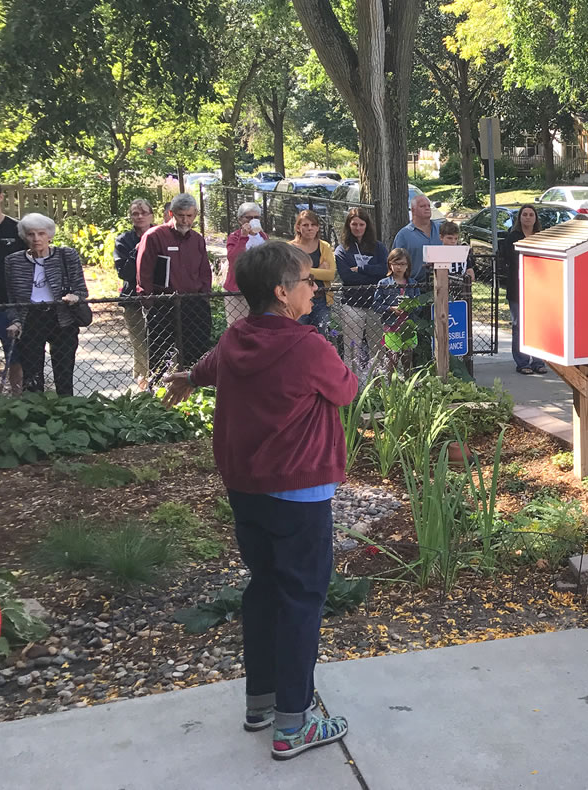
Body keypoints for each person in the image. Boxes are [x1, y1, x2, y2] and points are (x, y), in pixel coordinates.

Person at [162, 241, 355, 759]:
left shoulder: (236, 336)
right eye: (306, 281)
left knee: (266, 587)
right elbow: (346, 390)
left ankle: (261, 703)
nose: (314, 287)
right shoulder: (308, 345)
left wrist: (187, 376)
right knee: (302, 598)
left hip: (246, 487)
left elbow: (212, 364)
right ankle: (294, 724)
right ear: (281, 291)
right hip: (299, 490)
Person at [3, 213, 90, 396]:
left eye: (41, 234)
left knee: (64, 374)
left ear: (49, 235)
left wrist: (74, 298)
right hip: (31, 319)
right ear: (24, 236)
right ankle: (36, 417)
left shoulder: (66, 255)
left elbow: (82, 291)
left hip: (62, 317)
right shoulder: (13, 261)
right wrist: (16, 321)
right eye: (31, 234)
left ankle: (68, 414)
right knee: (32, 378)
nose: (36, 239)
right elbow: (12, 301)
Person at [137, 192, 213, 379]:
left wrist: (204, 296)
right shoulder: (155, 236)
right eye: (181, 215)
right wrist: (147, 298)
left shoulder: (197, 239)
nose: (185, 220)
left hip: (193, 302)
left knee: (197, 351)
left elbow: (204, 270)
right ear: (171, 214)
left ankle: (194, 388)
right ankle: (157, 389)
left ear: (195, 215)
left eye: (189, 216)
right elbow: (144, 269)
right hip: (163, 302)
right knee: (161, 353)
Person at [334, 208, 389, 377]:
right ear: (348, 226)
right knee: (352, 346)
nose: (358, 228)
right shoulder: (342, 250)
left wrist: (362, 269)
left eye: (361, 224)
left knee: (378, 346)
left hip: (375, 303)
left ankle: (379, 380)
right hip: (352, 304)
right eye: (354, 224)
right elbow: (348, 277)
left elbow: (385, 270)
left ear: (367, 226)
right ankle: (352, 381)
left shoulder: (378, 247)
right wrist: (371, 274)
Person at [498, 205, 547, 375]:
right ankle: (522, 361)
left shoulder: (542, 237)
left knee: (538, 325)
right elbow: (510, 259)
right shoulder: (513, 237)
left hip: (538, 288)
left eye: (531, 214)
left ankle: (539, 361)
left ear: (535, 218)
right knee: (519, 325)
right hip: (517, 288)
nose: (527, 217)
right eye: (524, 214)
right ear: (519, 218)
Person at [113, 199, 156, 390]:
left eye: (143, 213)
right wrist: (138, 251)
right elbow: (124, 273)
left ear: (151, 215)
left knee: (162, 341)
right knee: (140, 343)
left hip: (160, 298)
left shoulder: (162, 235)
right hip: (133, 299)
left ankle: (162, 380)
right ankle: (143, 384)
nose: (139, 217)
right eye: (135, 214)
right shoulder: (124, 241)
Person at [374, 248, 422, 375]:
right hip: (391, 327)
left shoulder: (413, 283)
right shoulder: (383, 283)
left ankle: (408, 384)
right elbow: (376, 305)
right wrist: (391, 308)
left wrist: (410, 306)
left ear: (407, 266)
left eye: (402, 264)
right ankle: (390, 386)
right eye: (396, 263)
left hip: (409, 327)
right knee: (392, 359)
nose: (399, 267)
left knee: (408, 358)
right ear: (390, 264)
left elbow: (419, 306)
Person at [0, 184, 27, 392]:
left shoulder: (17, 230)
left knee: (15, 357)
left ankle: (18, 401)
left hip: (11, 306)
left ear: (0, 197)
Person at [289, 211, 335, 334]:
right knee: (298, 336)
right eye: (305, 225)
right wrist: (320, 269)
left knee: (321, 337)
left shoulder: (324, 246)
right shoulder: (289, 248)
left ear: (318, 227)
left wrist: (303, 271)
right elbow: (291, 275)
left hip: (321, 300)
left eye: (313, 224)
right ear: (298, 227)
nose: (310, 228)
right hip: (297, 301)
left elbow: (330, 274)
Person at [224, 201, 267, 327]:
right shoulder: (234, 237)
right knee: (237, 327)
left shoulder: (263, 236)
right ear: (240, 220)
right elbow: (234, 259)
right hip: (237, 290)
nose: (253, 220)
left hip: (260, 290)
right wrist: (243, 237)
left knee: (258, 326)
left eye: (256, 218)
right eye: (248, 217)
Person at [391, 194, 440, 281]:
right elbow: (395, 262)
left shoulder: (442, 230)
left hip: (442, 283)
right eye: (422, 206)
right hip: (415, 287)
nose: (427, 208)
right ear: (413, 210)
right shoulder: (403, 235)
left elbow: (456, 249)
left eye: (428, 205)